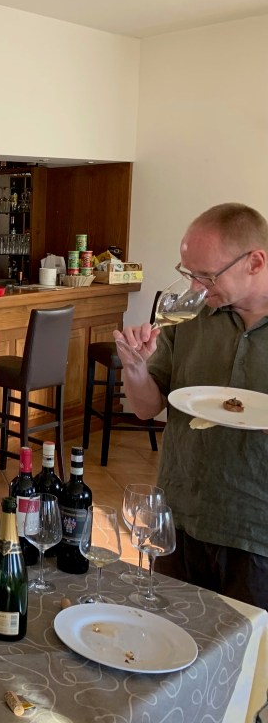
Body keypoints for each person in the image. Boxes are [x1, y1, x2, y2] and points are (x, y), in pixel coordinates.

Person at [115, 202, 268, 610]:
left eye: (207, 276)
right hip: (180, 515)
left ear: (255, 262)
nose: (196, 287)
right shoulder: (192, 315)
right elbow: (146, 408)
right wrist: (135, 368)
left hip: (257, 531)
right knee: (173, 635)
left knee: (246, 645)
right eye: (189, 273)